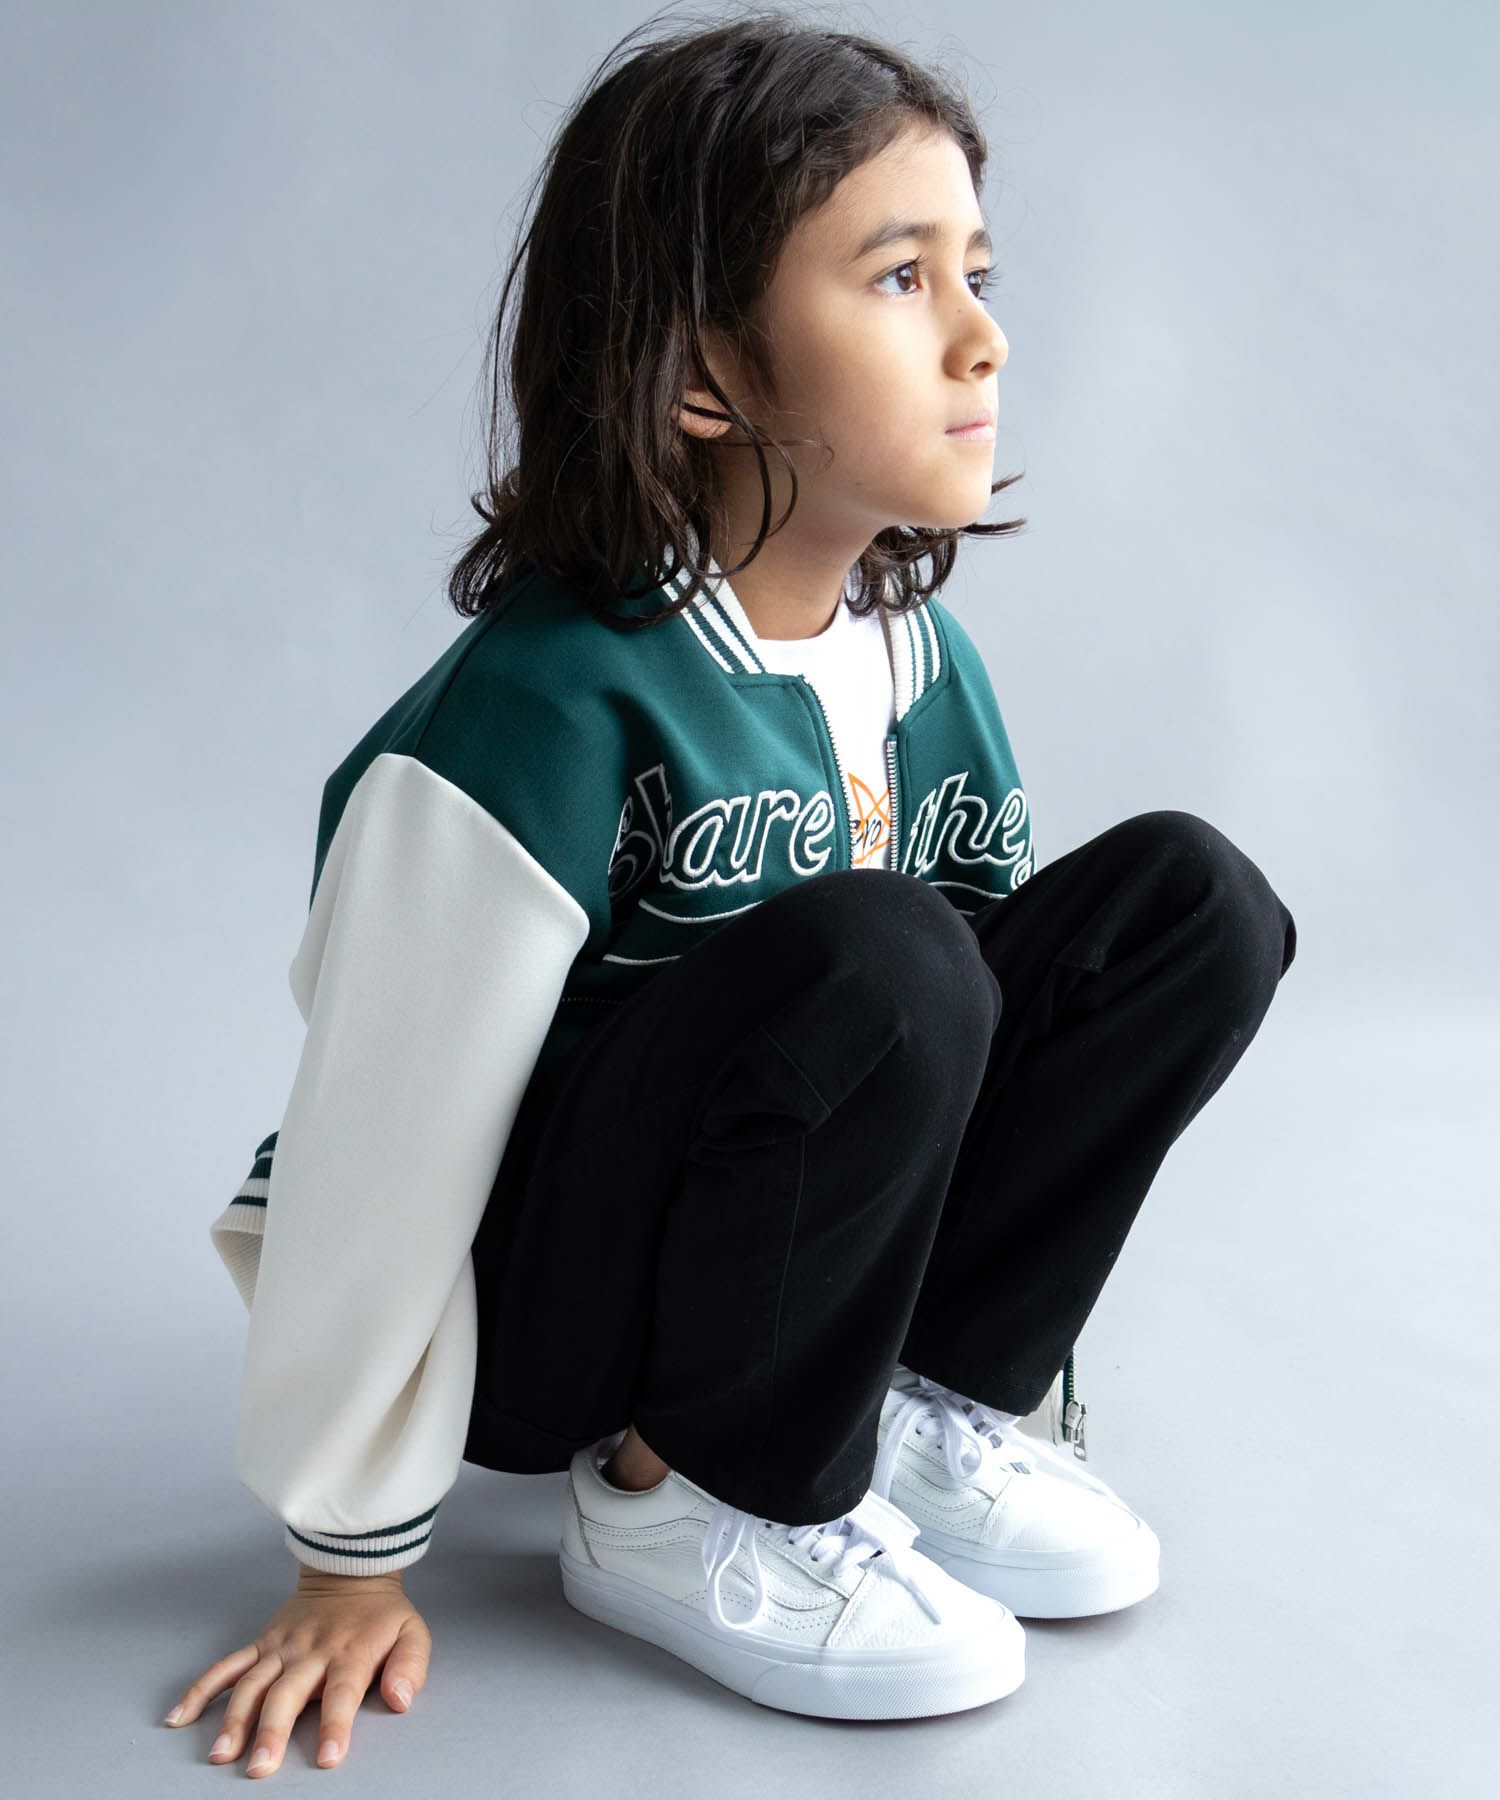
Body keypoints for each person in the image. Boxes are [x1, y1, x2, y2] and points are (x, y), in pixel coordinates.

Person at [164, 6, 1298, 1774]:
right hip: (541, 1313)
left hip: (781, 1247)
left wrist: (997, 1339)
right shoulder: (541, 712)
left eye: (978, 271)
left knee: (1190, 904)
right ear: (706, 376)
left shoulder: (920, 663)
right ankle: (679, 1493)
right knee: (888, 955)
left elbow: (985, 1065)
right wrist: (346, 1555)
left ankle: (911, 1400)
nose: (984, 334)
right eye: (902, 278)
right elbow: (381, 1147)